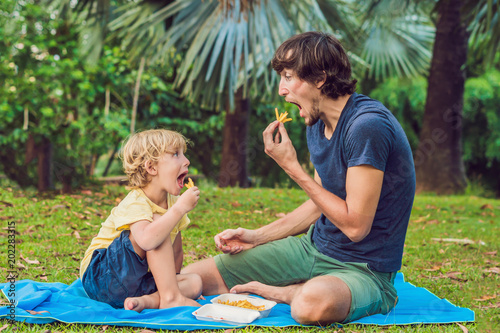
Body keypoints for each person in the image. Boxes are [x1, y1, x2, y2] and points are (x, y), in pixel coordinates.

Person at [182, 31, 416, 325]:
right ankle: (292, 286)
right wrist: (257, 236)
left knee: (308, 306)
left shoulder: (366, 127)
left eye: (289, 77)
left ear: (319, 78)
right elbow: (320, 203)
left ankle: (284, 292)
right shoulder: (316, 123)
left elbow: (356, 226)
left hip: (364, 269)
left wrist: (292, 168)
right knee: (195, 276)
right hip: (312, 249)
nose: (282, 90)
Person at [80, 129, 202, 312]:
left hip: (133, 285)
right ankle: (170, 298)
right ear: (151, 167)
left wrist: (173, 282)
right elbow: (147, 240)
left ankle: (146, 301)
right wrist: (179, 209)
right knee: (156, 226)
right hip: (101, 277)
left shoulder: (174, 205)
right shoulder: (136, 201)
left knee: (195, 282)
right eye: (176, 154)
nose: (186, 161)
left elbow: (176, 254)